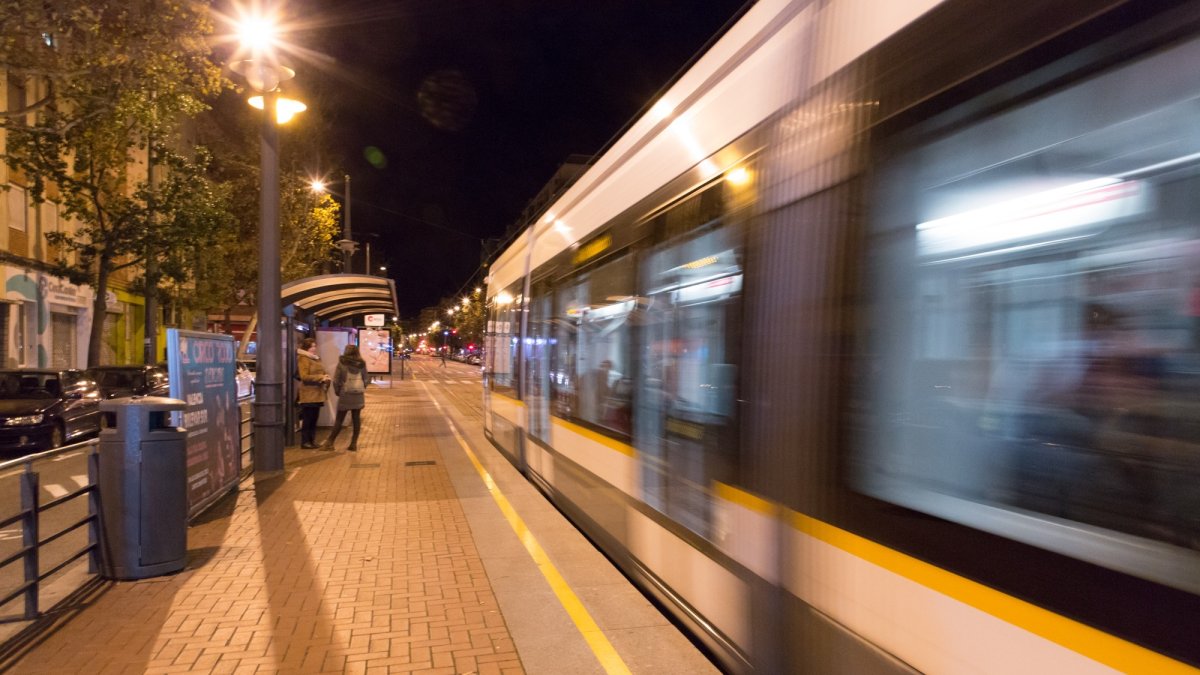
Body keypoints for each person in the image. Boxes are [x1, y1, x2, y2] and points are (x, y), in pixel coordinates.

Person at [322, 344, 369, 452]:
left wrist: (338, 391)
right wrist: (361, 388)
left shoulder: (342, 363)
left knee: (339, 419)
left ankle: (330, 442)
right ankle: (353, 444)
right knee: (356, 419)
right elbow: (366, 379)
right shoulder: (361, 364)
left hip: (345, 394)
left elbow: (336, 380)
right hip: (358, 395)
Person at [296, 337, 330, 449]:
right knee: (308, 418)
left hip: (318, 392)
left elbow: (321, 370)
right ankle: (305, 441)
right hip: (309, 393)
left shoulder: (315, 358)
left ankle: (312, 440)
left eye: (315, 346)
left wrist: (325, 376)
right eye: (312, 346)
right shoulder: (303, 359)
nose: (314, 349)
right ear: (306, 348)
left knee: (314, 418)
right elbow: (304, 376)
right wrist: (321, 377)